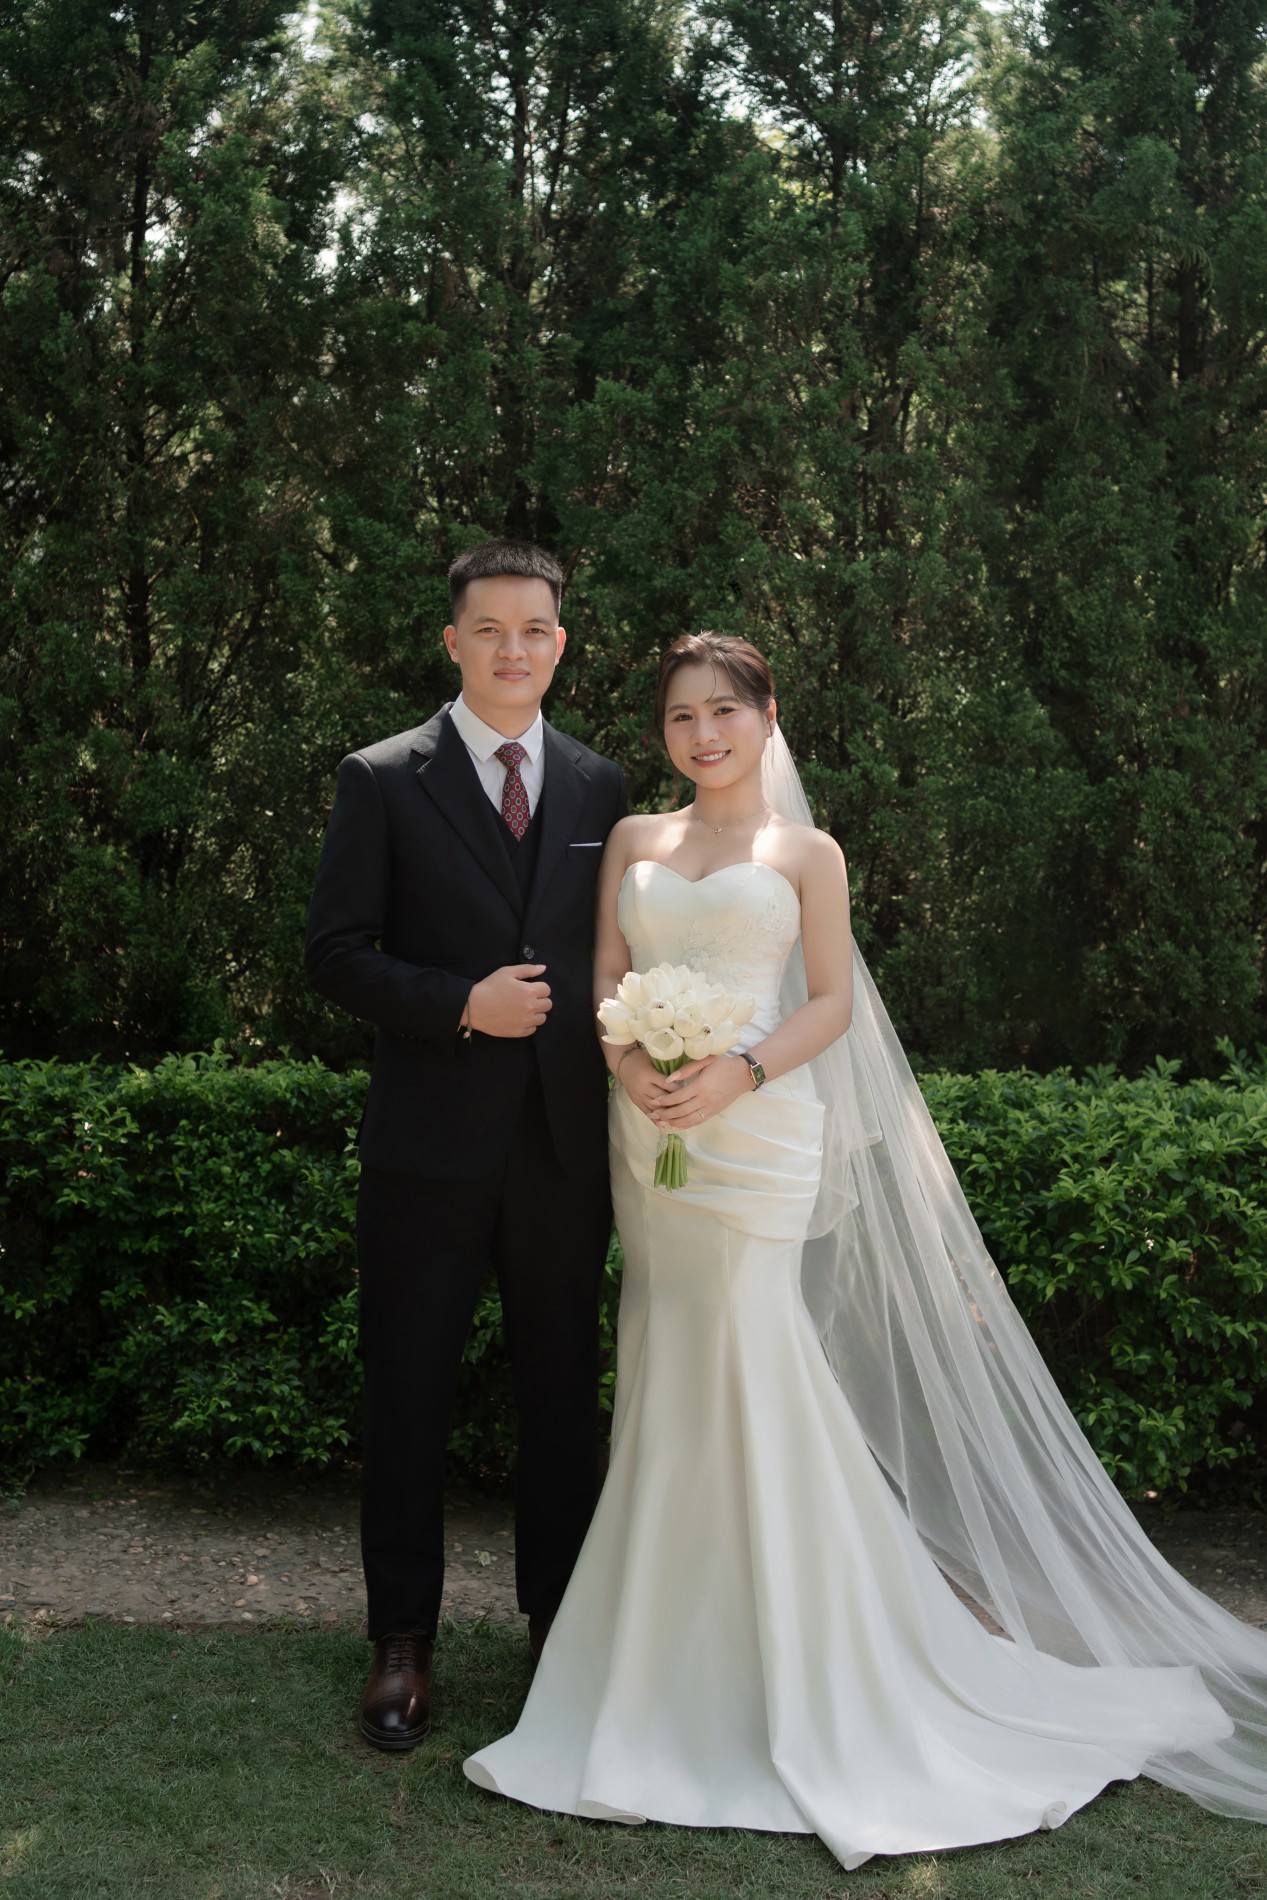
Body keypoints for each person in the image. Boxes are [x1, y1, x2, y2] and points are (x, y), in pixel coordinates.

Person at [464, 631, 1267, 1871]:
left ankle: (804, 1658)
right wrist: (635, 1068)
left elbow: (830, 999)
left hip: (757, 1124)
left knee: (749, 1353)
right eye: (680, 716)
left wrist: (734, 1070)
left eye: (723, 711)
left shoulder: (807, 852)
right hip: (652, 1130)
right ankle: (663, 1653)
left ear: (765, 714)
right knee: (665, 1355)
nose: (702, 734)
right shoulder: (632, 838)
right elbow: (606, 974)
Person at [305, 540, 626, 1751]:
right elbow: (335, 954)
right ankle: (401, 1640)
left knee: (561, 1398)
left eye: (533, 628)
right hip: (425, 1150)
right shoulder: (382, 777)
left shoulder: (599, 786)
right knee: (407, 1393)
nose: (511, 648)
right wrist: (459, 1004)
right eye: (488, 628)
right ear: (453, 641)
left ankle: (561, 1631)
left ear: (560, 642)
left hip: (561, 1150)